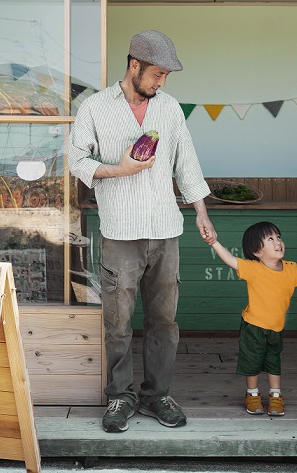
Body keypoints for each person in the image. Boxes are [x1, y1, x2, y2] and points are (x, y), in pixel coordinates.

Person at [69, 30, 217, 433]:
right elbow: (77, 160)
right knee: (117, 321)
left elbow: (186, 162)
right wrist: (119, 169)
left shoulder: (168, 109)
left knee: (164, 321)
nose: (161, 83)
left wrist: (201, 211)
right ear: (134, 66)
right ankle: (120, 397)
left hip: (166, 229)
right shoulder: (95, 107)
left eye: (166, 75)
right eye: (156, 74)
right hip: (119, 231)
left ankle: (157, 395)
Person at [209, 222, 297, 416]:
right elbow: (230, 260)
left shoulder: (291, 269)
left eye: (278, 237)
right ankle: (252, 395)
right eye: (270, 239)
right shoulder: (253, 268)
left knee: (273, 361)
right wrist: (214, 242)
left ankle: (275, 396)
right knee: (252, 362)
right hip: (253, 326)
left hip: (276, 328)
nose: (278, 242)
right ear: (257, 251)